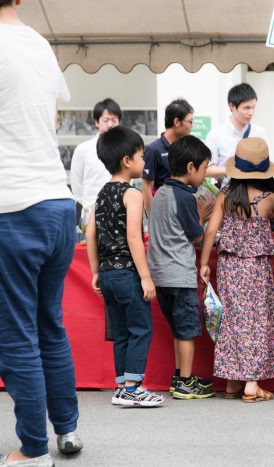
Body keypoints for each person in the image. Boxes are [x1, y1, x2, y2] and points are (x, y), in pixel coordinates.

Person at [0, 1, 83, 463]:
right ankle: (66, 430)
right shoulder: (39, 43)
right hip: (55, 199)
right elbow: (48, 115)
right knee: (49, 324)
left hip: (12, 205)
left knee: (16, 333)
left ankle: (33, 450)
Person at [199, 137, 274, 402]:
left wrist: (205, 264)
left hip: (228, 266)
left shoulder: (225, 196)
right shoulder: (270, 198)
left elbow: (211, 231)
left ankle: (231, 382)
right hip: (257, 267)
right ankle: (252, 383)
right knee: (257, 321)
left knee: (232, 321)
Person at [86, 126, 163, 407]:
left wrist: (96, 271)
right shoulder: (132, 194)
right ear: (127, 161)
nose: (144, 162)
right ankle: (132, 388)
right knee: (141, 328)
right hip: (127, 273)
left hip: (107, 274)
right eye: (142, 156)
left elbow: (90, 234)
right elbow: (134, 236)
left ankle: (121, 386)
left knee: (119, 332)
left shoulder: (100, 195)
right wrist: (146, 277)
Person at [147, 135, 216, 400]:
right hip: (180, 274)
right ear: (190, 167)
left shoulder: (161, 192)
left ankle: (180, 375)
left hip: (160, 274)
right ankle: (185, 382)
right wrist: (206, 215)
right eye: (204, 168)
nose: (205, 174)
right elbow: (196, 234)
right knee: (187, 330)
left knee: (178, 329)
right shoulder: (186, 197)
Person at [70, 98, 122, 219]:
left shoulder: (126, 149)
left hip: (119, 214)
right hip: (91, 212)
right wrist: (90, 205)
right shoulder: (83, 149)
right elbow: (76, 184)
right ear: (97, 122)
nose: (110, 124)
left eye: (114, 120)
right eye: (106, 120)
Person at [205, 83, 268, 181]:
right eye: (246, 108)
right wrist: (232, 170)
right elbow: (206, 169)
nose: (251, 113)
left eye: (253, 107)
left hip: (255, 192)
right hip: (228, 192)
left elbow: (269, 164)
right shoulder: (216, 135)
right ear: (232, 106)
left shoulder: (259, 132)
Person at [142, 99, 194, 213]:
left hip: (183, 211)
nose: (192, 126)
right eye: (190, 122)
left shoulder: (185, 148)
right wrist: (153, 219)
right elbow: (147, 188)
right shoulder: (154, 150)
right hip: (163, 213)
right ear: (177, 122)